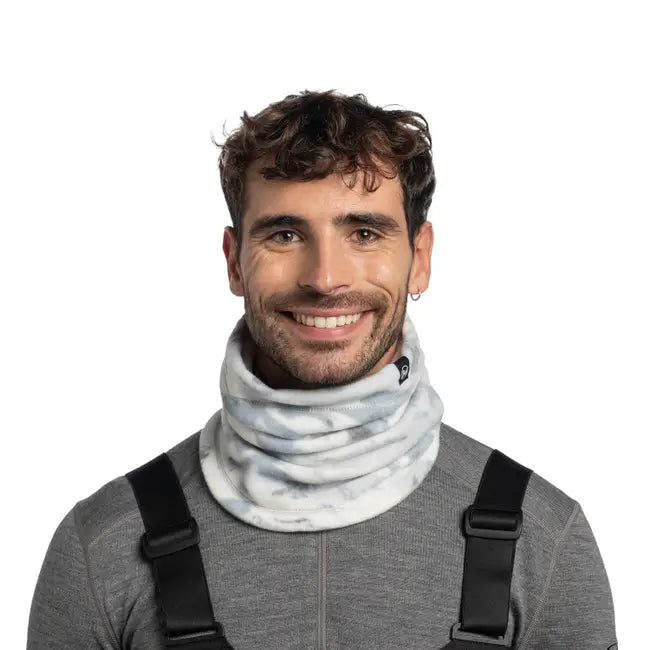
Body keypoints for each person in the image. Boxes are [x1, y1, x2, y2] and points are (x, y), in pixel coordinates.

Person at [27, 89, 618, 649]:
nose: (325, 278)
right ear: (234, 263)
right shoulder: (104, 545)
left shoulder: (542, 538)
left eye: (364, 232)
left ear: (420, 258)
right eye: (285, 234)